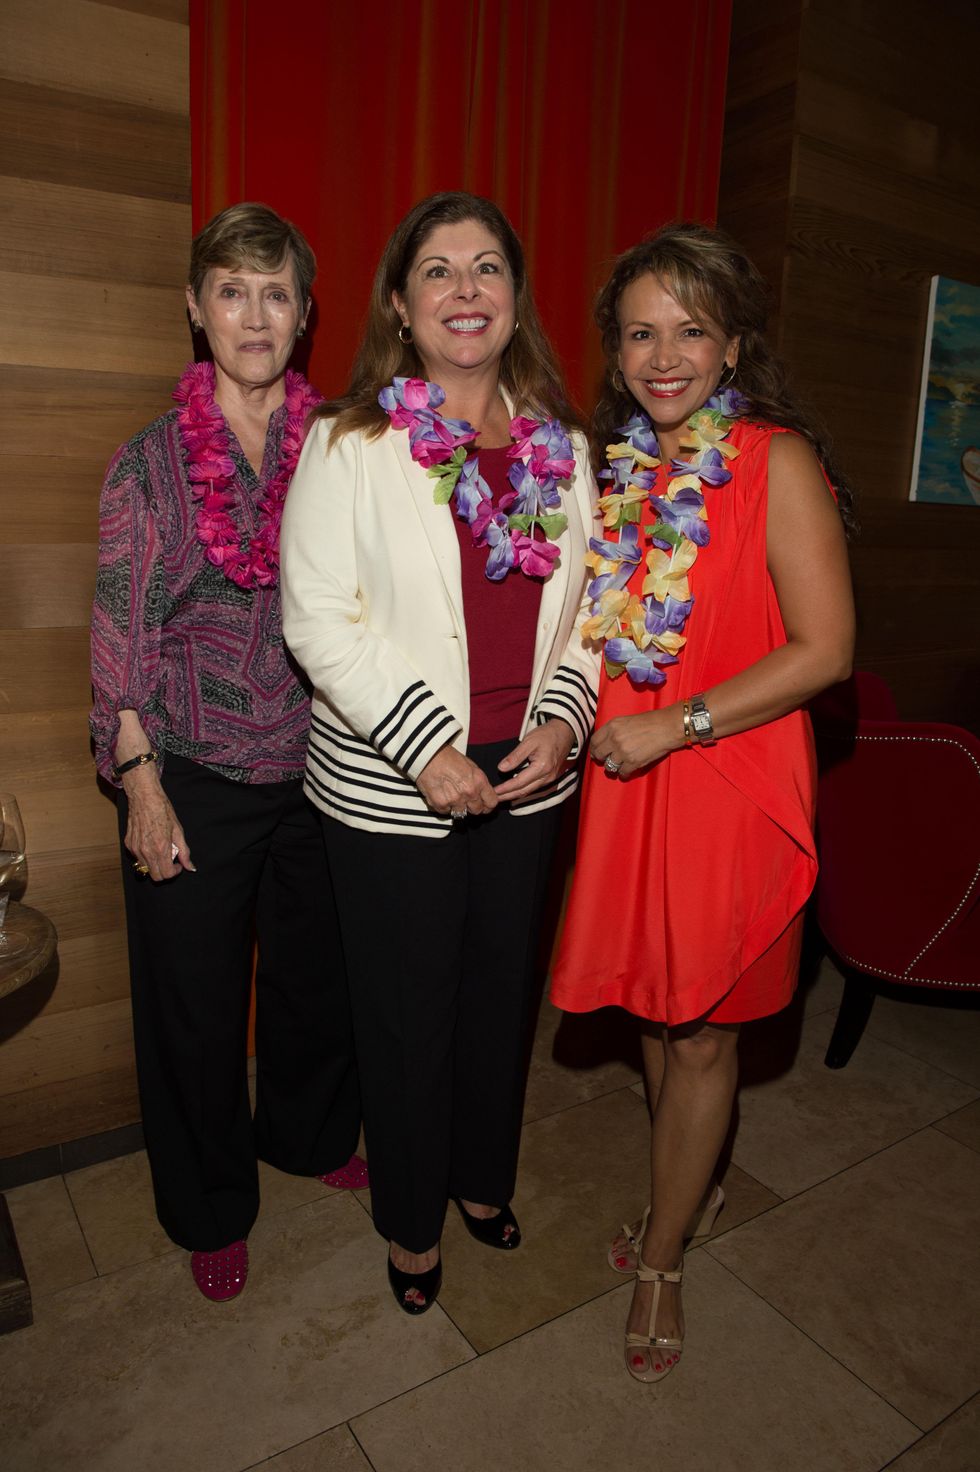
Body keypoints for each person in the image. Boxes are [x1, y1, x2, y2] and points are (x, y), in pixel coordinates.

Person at [280, 191, 599, 1314]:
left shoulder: (565, 450)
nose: (465, 289)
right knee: (407, 1012)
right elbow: (315, 615)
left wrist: (565, 718)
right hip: (391, 781)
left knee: (499, 999)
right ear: (400, 308)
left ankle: (479, 1177)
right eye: (437, 271)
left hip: (530, 773)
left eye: (486, 268)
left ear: (514, 299)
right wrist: (424, 746)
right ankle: (411, 1220)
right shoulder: (348, 440)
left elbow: (593, 608)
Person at [550, 223, 855, 1381]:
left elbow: (825, 649)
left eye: (688, 330)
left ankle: (663, 1254)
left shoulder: (774, 461)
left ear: (732, 345)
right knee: (652, 1006)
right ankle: (692, 1179)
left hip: (723, 775)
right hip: (630, 786)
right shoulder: (622, 472)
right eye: (639, 333)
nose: (662, 356)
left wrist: (675, 724)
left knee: (703, 1030)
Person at [90, 202, 365, 1303]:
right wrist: (140, 785)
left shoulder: (344, 451)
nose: (256, 316)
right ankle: (208, 1204)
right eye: (233, 291)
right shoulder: (146, 465)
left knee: (319, 980)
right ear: (196, 310)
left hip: (326, 764)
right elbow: (119, 631)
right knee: (193, 1007)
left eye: (277, 293)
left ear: (304, 315)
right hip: (192, 774)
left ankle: (308, 1134)